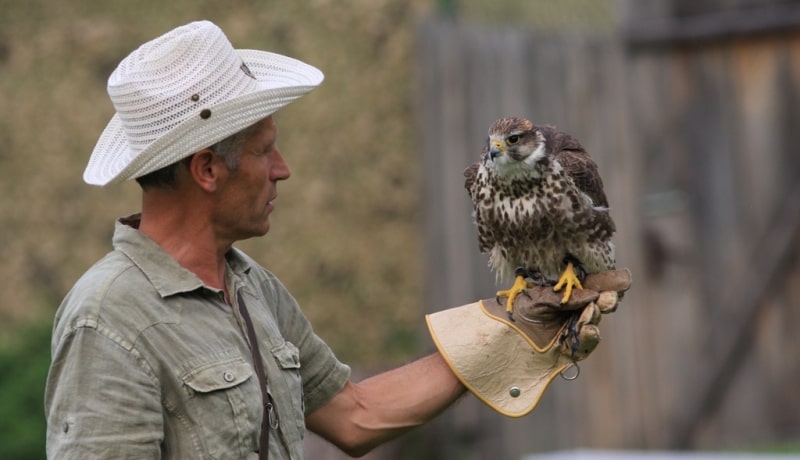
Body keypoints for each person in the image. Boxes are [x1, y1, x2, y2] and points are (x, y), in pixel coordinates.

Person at [45, 20, 630, 459]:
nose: (283, 168)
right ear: (206, 169)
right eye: (264, 149)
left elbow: (357, 414)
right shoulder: (109, 321)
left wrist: (512, 329)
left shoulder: (250, 288)